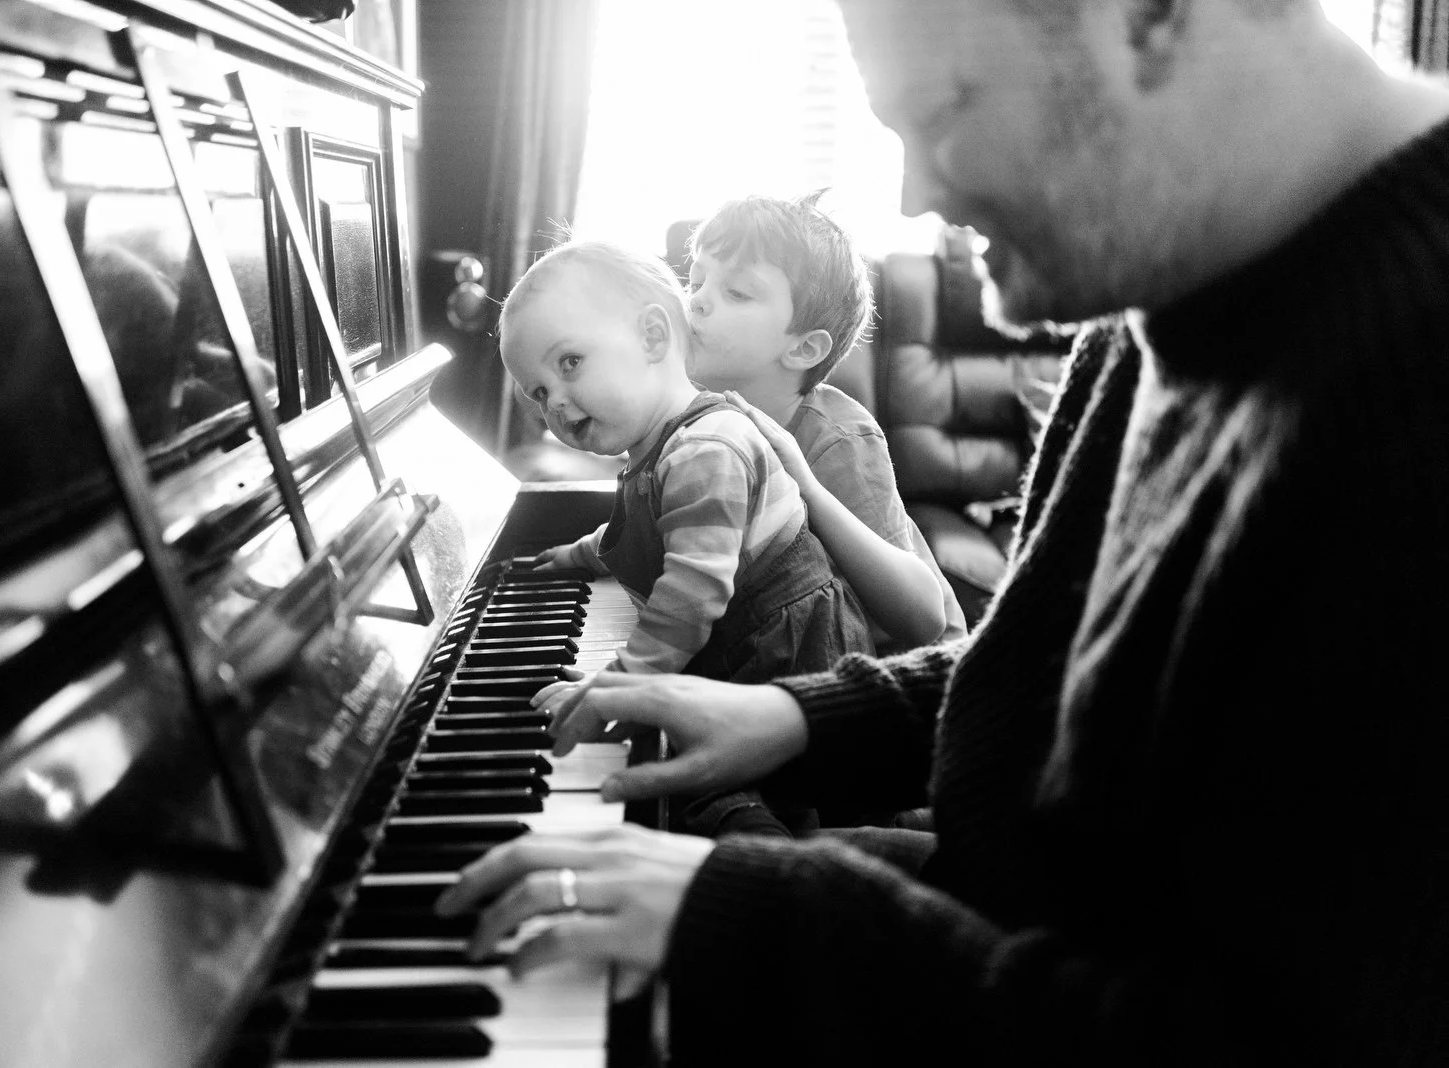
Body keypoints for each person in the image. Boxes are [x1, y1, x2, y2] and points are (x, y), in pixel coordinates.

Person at [438, 0, 1449, 1063]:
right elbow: (1060, 675)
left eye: (942, 111)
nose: (915, 195)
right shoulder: (1169, 282)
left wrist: (758, 914)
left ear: (1150, 16)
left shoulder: (1412, 400)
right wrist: (799, 715)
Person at [502, 239, 872, 685]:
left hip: (793, 661)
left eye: (570, 362)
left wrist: (624, 682)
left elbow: (692, 592)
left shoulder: (706, 449)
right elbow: (658, 530)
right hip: (747, 649)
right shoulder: (667, 445)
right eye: (539, 392)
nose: (556, 403)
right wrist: (583, 553)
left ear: (652, 337)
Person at [684, 192, 961, 647]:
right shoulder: (697, 417)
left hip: (902, 669)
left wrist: (807, 489)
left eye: (736, 292)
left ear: (803, 348)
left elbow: (924, 619)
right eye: (695, 281)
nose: (696, 301)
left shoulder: (837, 438)